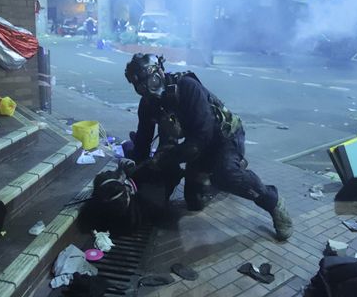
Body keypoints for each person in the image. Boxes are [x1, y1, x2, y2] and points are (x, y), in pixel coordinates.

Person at [124, 53, 293, 241]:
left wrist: (167, 158)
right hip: (197, 144)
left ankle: (273, 202)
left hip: (224, 138)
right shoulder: (149, 104)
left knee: (227, 174)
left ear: (160, 72)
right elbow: (144, 140)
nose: (149, 89)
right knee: (194, 202)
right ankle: (216, 176)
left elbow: (200, 140)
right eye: (140, 87)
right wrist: (134, 170)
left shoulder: (188, 88)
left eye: (152, 81)